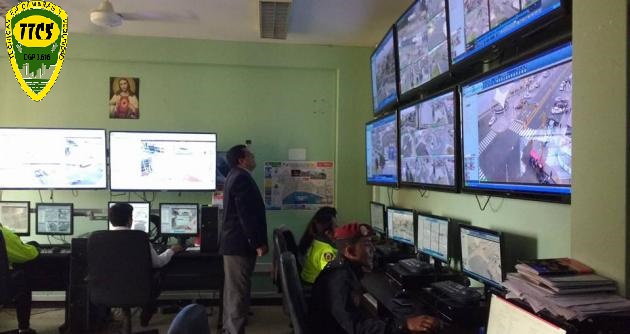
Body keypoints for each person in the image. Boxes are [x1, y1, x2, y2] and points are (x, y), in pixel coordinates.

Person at [309, 223, 441, 334]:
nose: (373, 249)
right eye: (367, 244)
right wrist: (404, 324)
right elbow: (357, 327)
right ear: (351, 252)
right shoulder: (338, 280)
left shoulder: (342, 268)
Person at [108, 203, 184, 326]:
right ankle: (145, 316)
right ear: (129, 220)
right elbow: (158, 263)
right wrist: (171, 250)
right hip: (138, 289)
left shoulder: (98, 239)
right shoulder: (139, 238)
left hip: (106, 290)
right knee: (158, 274)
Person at [220, 144, 268, 334]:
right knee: (237, 293)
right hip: (239, 246)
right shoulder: (241, 178)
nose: (254, 157)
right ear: (242, 159)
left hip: (235, 245)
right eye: (250, 155)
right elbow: (246, 215)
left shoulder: (234, 175)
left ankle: (229, 328)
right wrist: (256, 242)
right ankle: (233, 330)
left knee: (234, 291)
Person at [1, 223, 40, 334]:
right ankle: (24, 329)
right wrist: (34, 247)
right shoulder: (4, 234)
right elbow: (26, 254)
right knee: (22, 279)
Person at [299, 207, 337, 284]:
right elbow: (331, 275)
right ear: (328, 233)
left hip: (309, 282)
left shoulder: (315, 242)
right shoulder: (326, 251)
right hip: (316, 286)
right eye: (336, 226)